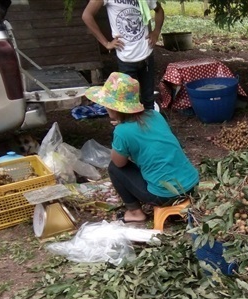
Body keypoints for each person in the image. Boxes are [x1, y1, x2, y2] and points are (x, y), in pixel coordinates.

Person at [85, 72, 199, 223]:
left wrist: (120, 135)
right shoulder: (154, 115)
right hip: (192, 186)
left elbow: (119, 163)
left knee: (114, 168)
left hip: (166, 195)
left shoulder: (122, 132)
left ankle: (135, 212)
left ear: (113, 107)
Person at [82, 0, 164, 110]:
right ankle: (132, 126)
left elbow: (159, 10)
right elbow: (87, 15)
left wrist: (156, 32)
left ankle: (149, 125)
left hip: (146, 55)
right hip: (126, 58)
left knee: (148, 100)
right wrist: (106, 43)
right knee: (128, 103)